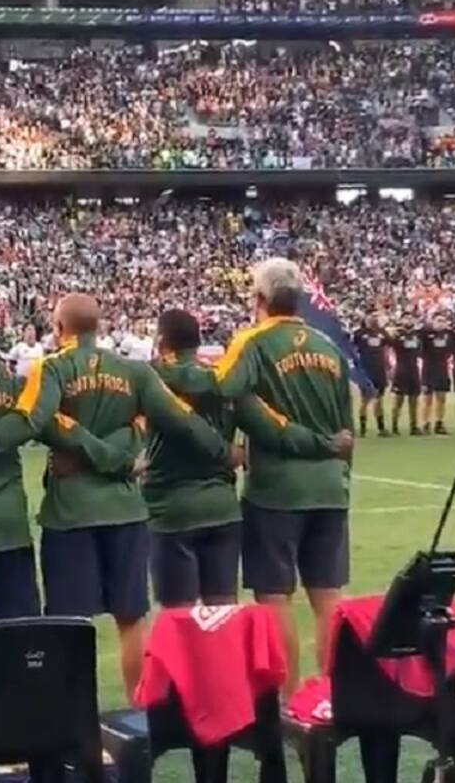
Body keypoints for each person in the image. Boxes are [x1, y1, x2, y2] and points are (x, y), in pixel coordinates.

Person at [0, 293, 241, 695]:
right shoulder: (135, 372)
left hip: (71, 514)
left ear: (59, 329)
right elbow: (184, 421)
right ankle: (140, 715)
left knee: (70, 629)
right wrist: (223, 452)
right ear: (99, 326)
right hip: (126, 510)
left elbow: (28, 420)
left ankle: (76, 723)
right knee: (132, 621)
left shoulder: (53, 369)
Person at [192, 257, 354, 696]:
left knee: (274, 596)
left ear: (259, 299)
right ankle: (336, 696)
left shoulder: (252, 341)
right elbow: (347, 429)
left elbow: (223, 388)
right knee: (329, 598)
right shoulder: (327, 345)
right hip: (330, 489)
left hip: (277, 491)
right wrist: (340, 474)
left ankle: (288, 699)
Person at [146, 309, 352, 610]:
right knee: (223, 614)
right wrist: (324, 444)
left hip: (171, 511)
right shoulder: (226, 380)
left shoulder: (149, 378)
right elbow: (272, 427)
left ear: (161, 341)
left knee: (179, 617)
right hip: (223, 510)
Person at [352, 313, 391, 438]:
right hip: (366, 371)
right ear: (365, 319)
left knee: (379, 400)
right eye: (370, 317)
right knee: (365, 400)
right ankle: (362, 428)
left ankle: (381, 428)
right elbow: (352, 346)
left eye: (375, 317)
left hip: (379, 370)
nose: (372, 319)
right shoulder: (359, 333)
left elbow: (389, 342)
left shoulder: (382, 332)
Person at [389, 317, 423, 436]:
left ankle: (413, 426)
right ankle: (394, 426)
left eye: (410, 318)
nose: (409, 320)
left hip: (414, 370)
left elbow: (420, 350)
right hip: (401, 371)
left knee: (414, 400)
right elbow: (390, 342)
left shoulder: (416, 336)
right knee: (399, 400)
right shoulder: (398, 335)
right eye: (406, 318)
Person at [422, 315, 452, 435]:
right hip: (429, 369)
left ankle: (439, 423)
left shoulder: (448, 335)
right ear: (433, 322)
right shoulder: (426, 335)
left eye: (443, 320)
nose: (441, 323)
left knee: (441, 398)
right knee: (427, 399)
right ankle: (425, 423)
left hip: (442, 369)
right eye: (439, 321)